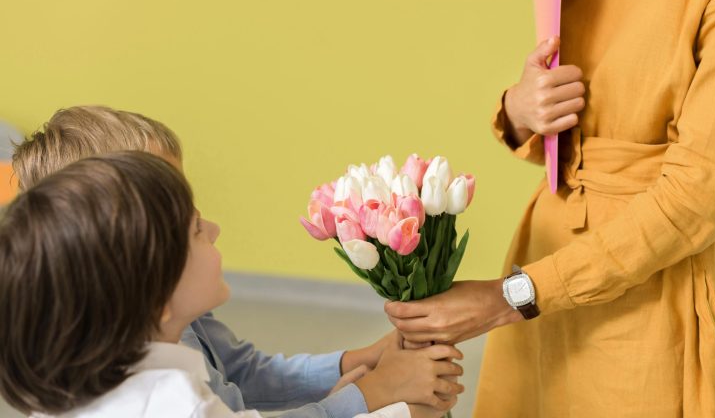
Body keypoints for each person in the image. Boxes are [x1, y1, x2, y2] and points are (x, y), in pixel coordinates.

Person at [385, 0, 715, 416]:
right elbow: (585, 139)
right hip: (545, 252)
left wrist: (509, 297)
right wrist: (521, 108)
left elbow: (694, 201)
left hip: (650, 280)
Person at [11, 107, 462, 417]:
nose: (214, 227)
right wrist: (373, 396)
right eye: (188, 224)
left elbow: (242, 374)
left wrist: (356, 367)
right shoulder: (176, 398)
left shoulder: (143, 333)